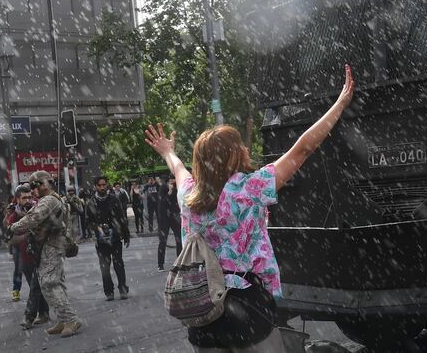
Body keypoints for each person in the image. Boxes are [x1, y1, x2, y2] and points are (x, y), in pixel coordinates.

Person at [145, 64, 354, 353]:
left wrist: (168, 151)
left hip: (203, 311)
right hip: (244, 304)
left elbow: (178, 168)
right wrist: (340, 104)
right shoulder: (248, 189)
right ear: (233, 154)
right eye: (239, 146)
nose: (245, 149)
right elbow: (303, 148)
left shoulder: (188, 195)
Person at [8, 171, 82, 338]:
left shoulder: (49, 200)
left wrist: (12, 227)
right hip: (52, 246)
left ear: (44, 184)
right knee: (56, 283)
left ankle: (71, 319)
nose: (33, 190)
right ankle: (63, 319)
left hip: (51, 246)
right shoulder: (54, 199)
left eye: (35, 185)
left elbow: (32, 219)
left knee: (49, 284)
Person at [4, 184, 50, 329]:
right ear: (17, 199)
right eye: (24, 198)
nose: (28, 200)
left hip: (43, 252)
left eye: (30, 196)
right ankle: (42, 313)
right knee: (34, 285)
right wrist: (27, 233)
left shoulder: (39, 209)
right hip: (27, 255)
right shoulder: (14, 215)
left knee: (40, 285)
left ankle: (36, 315)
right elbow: (11, 239)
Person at [86, 177, 130, 301]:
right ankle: (109, 292)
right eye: (99, 185)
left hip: (115, 237)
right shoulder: (91, 202)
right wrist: (97, 229)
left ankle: (122, 288)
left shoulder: (114, 199)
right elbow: (88, 221)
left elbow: (122, 217)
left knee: (118, 264)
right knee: (105, 267)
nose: (102, 187)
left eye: (104, 185)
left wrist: (126, 234)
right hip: (101, 240)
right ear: (95, 186)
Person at [157, 175, 182, 271]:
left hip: (174, 216)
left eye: (173, 181)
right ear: (167, 182)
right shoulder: (163, 188)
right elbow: (162, 203)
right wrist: (169, 192)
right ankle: (160, 264)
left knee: (179, 239)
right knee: (163, 241)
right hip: (164, 217)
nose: (172, 183)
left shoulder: (177, 188)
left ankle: (179, 262)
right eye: (170, 182)